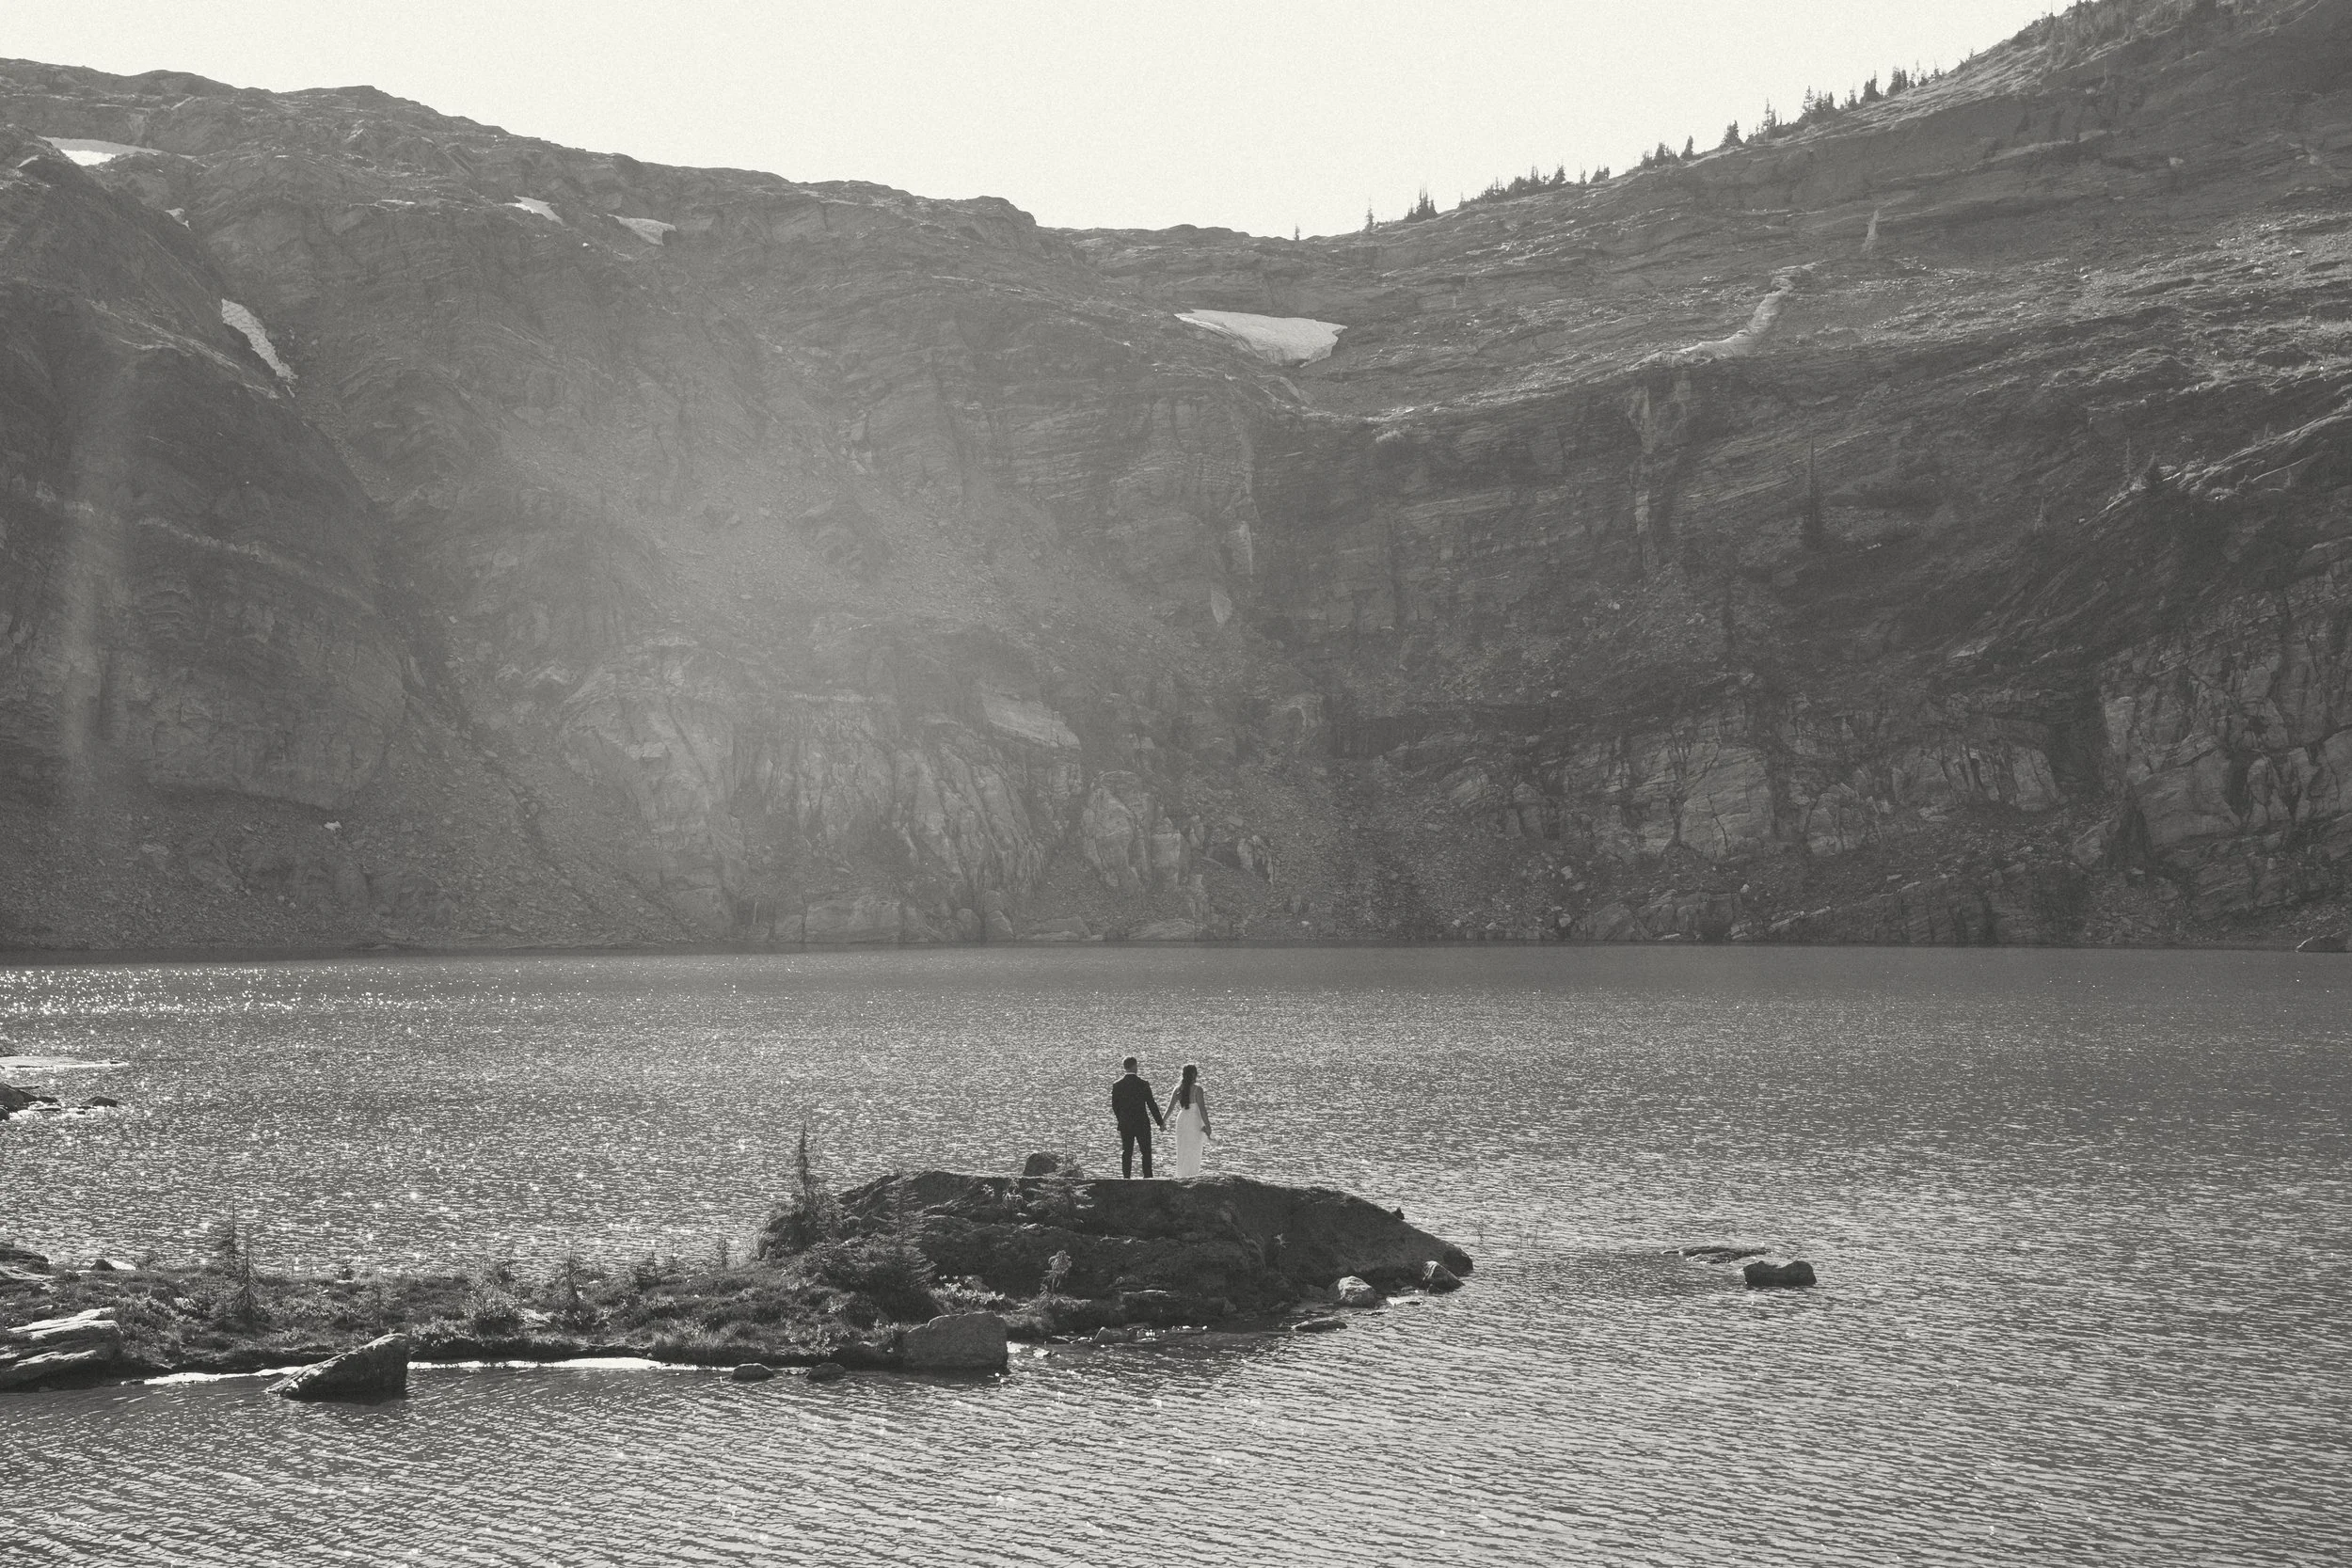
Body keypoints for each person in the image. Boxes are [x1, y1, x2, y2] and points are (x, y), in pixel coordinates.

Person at [1110, 1056, 1166, 1179]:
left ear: (1125, 1067)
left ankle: (1126, 1178)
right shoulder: (1143, 1084)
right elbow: (1151, 1104)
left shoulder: (1117, 1085)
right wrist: (1160, 1122)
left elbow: (1115, 1106)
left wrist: (1121, 1119)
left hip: (1125, 1124)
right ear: (1135, 1066)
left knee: (1127, 1152)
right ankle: (1148, 1177)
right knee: (1146, 1152)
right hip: (1142, 1123)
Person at [1169, 1062, 1213, 1179]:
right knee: (1194, 1148)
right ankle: (1192, 1175)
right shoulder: (1198, 1090)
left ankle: (1181, 1175)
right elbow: (1203, 1110)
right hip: (1194, 1120)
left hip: (1182, 1119)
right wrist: (1208, 1126)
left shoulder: (1178, 1089)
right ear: (1194, 1075)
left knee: (1182, 1148)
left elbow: (1170, 1108)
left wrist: (1162, 1122)